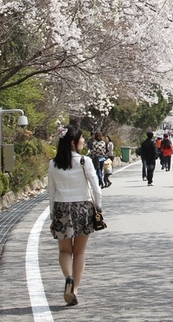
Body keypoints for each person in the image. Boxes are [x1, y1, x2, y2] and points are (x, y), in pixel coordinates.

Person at [48, 126, 103, 306]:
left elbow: (51, 192)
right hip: (83, 208)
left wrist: (52, 216)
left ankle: (68, 277)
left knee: (64, 251)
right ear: (73, 142)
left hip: (62, 209)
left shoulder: (53, 164)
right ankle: (74, 289)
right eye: (80, 138)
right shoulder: (84, 161)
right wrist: (98, 206)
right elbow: (95, 187)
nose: (83, 141)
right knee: (79, 252)